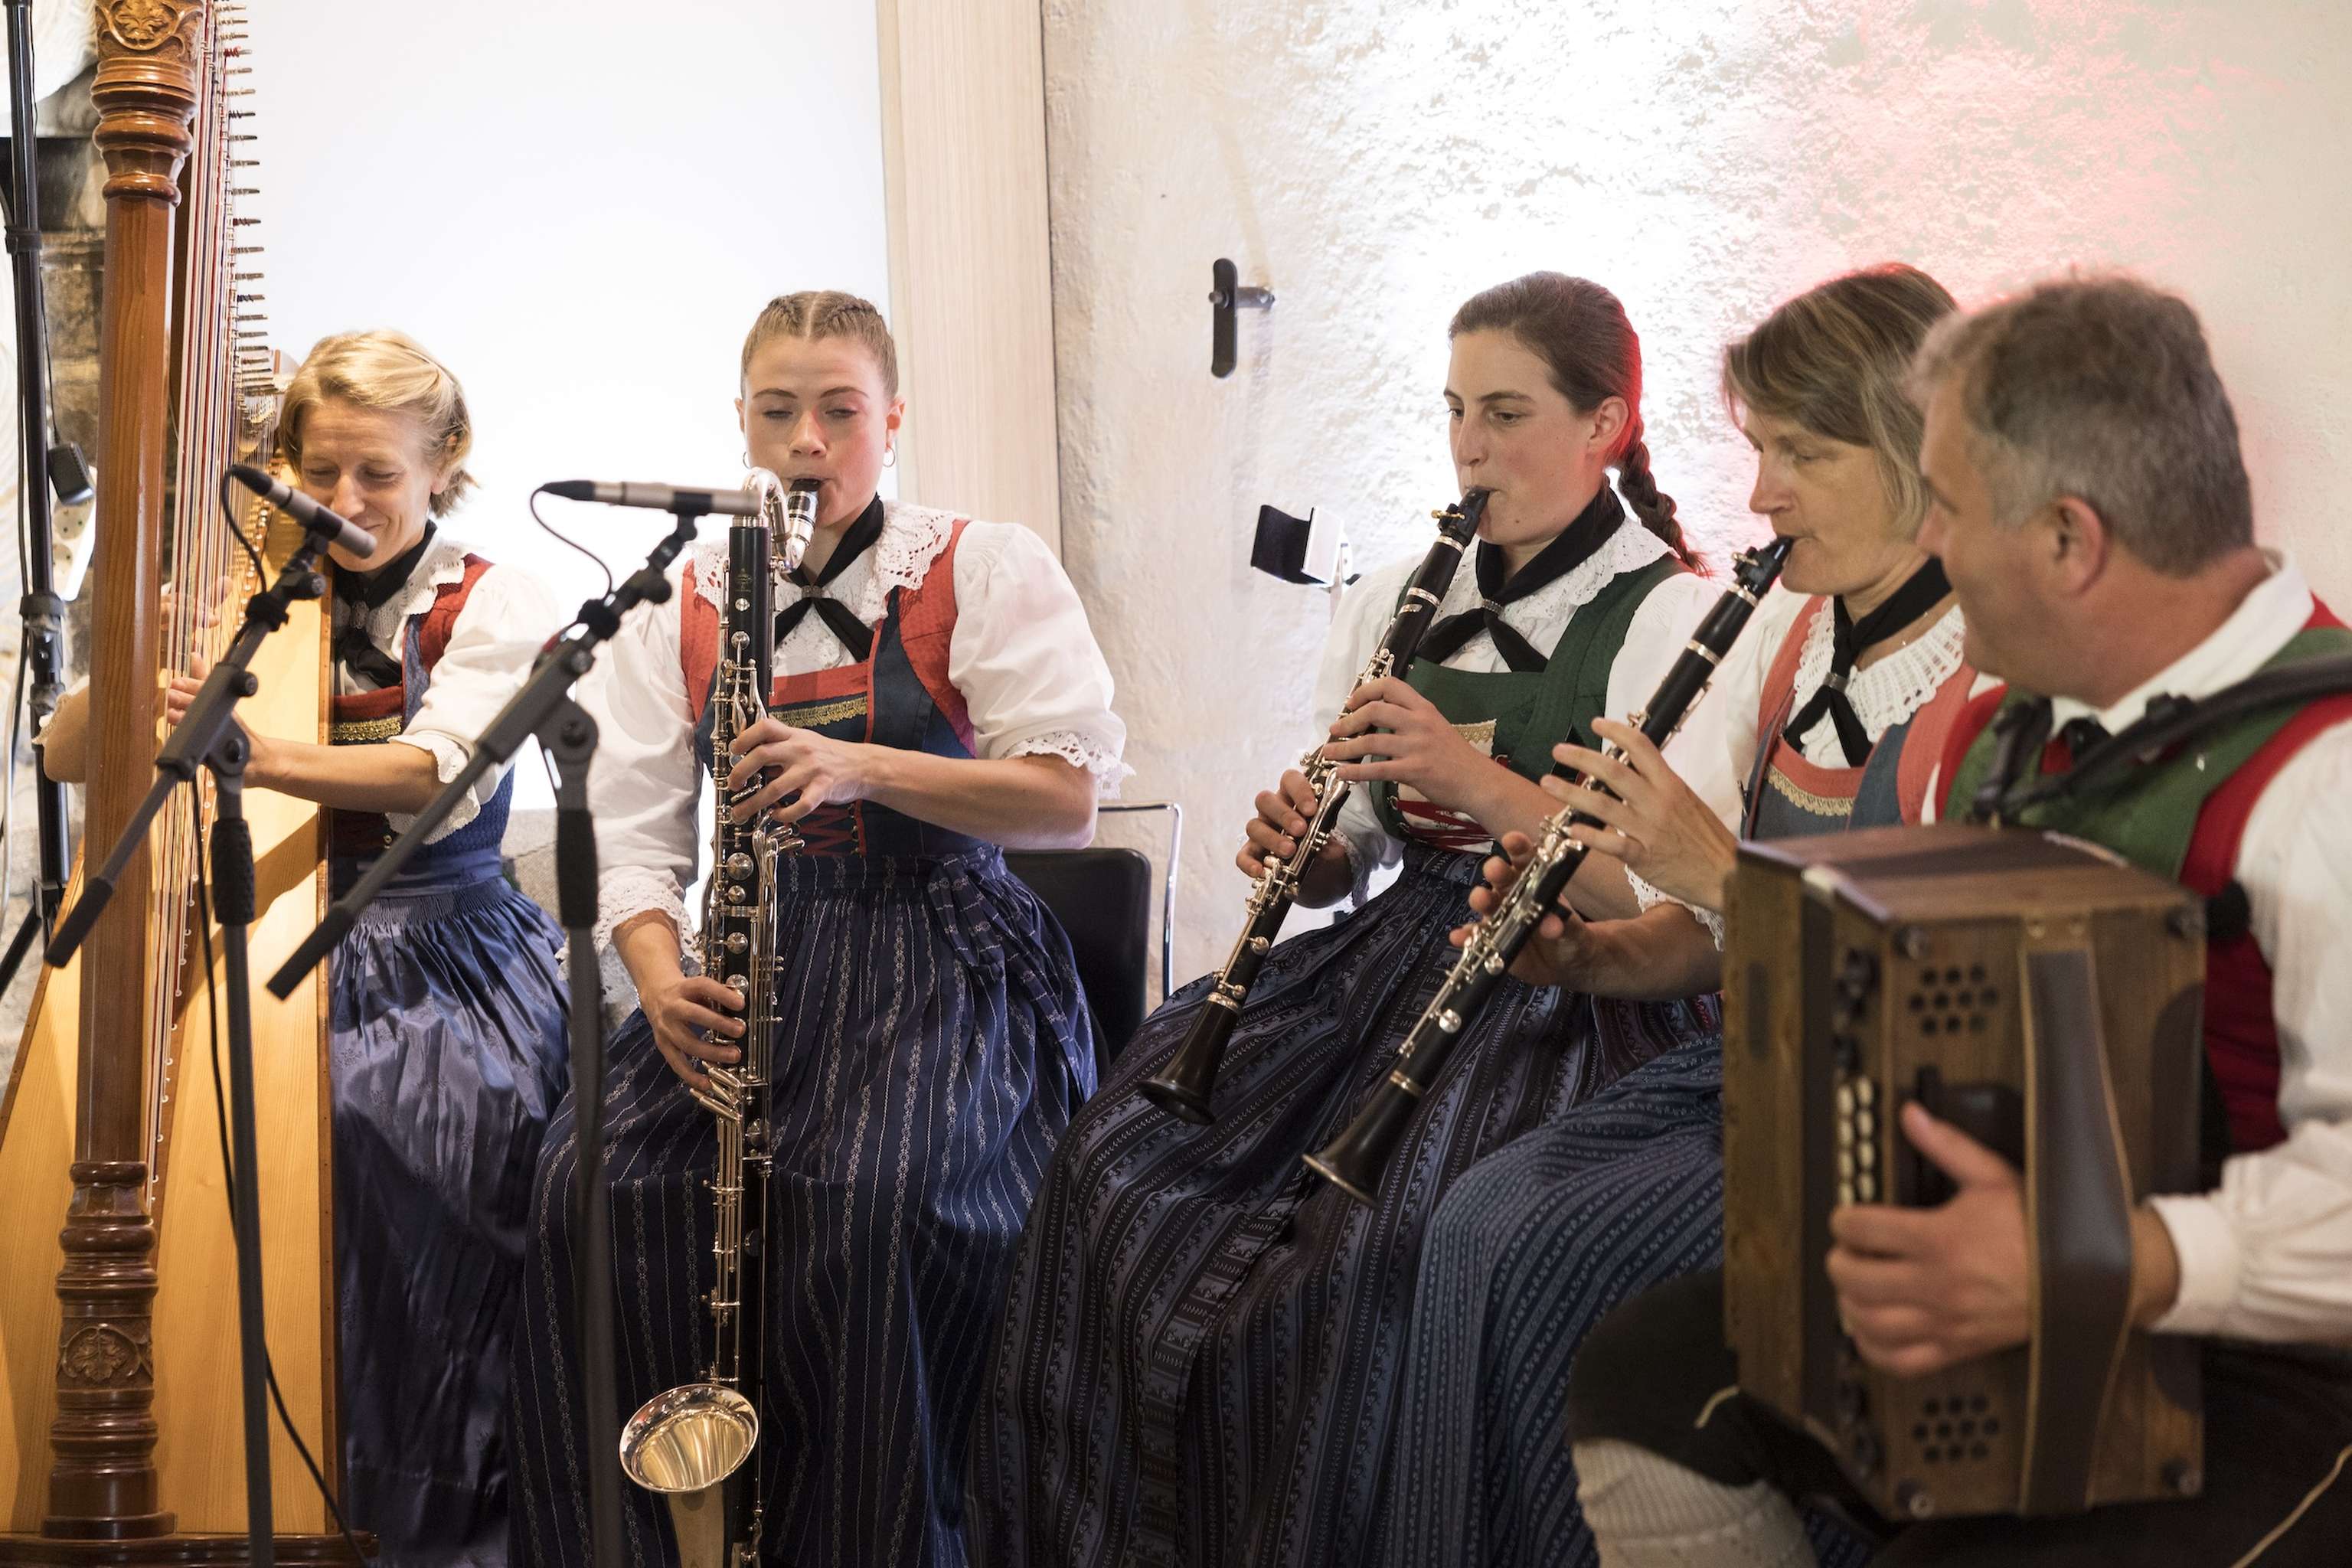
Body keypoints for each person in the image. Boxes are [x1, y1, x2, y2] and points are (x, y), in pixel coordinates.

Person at [1563, 275, 2352, 1566]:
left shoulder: (2327, 778)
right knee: (1651, 1382)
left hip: (2278, 1363)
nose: (1927, 541)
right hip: (2039, 1279)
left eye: (1948, 505)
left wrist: (2102, 1257)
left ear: (2070, 540)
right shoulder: (1993, 732)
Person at [969, 272, 1738, 1568]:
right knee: (1116, 1160)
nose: (1470, 448)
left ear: (1605, 425)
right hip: (1387, 961)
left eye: (1506, 414)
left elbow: (1664, 900)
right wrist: (1314, 854)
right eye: (1455, 412)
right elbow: (1358, 853)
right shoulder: (1394, 594)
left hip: (1568, 989)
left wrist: (1474, 780)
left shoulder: (1675, 618)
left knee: (1368, 1253)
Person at [504, 289, 1127, 1568]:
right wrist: (658, 982)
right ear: (739, 423)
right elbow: (632, 834)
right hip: (750, 968)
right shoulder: (684, 599)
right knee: (588, 1188)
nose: (808, 442)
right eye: (779, 412)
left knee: (874, 1208)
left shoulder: (979, 567)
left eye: (841, 412)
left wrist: (867, 769)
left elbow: (1065, 804)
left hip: (940, 954)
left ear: (892, 422)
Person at [1371, 264, 1974, 1568]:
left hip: (1898, 1118)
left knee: (1542, 1254)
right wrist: (1589, 959)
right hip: (1750, 1066)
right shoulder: (1790, 633)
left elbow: (1957, 1000)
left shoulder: (1989, 669)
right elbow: (1707, 944)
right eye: (1761, 452)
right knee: (1471, 1221)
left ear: (1922, 448)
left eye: (1802, 455)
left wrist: (1711, 869)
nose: (1761, 497)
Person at [44, 328, 570, 1566]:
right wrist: (133, 644)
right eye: (320, 470)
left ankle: (428, 1529)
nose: (346, 500)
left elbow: (434, 775)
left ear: (444, 464)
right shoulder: (254, 591)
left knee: (380, 1144)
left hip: (442, 963)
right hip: (264, 939)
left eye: (378, 474)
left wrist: (259, 753)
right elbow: (68, 756)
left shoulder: (495, 599)